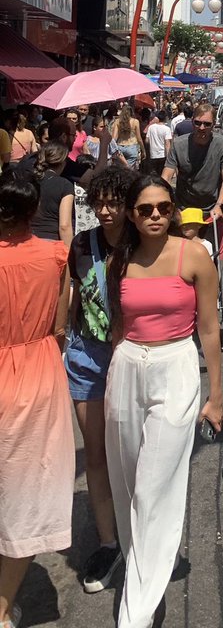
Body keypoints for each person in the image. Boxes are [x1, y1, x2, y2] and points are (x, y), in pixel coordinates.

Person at [105, 177, 222, 628]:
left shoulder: (192, 254)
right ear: (132, 214)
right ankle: (152, 557)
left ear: (172, 210)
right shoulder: (122, 258)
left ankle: (135, 612)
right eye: (144, 208)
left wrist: (216, 394)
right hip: (129, 365)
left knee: (155, 486)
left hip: (176, 366)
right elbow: (119, 323)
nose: (154, 214)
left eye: (162, 207)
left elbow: (209, 328)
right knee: (131, 481)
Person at [0, 170, 74, 628]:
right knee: (28, 493)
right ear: (34, 212)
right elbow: (61, 326)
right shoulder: (55, 255)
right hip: (39, 370)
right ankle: (2, 605)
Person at [64, 167, 136, 594]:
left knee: (132, 451)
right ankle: (109, 543)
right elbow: (71, 291)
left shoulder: (144, 244)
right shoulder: (82, 244)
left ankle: (139, 533)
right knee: (95, 455)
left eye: (114, 202)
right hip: (87, 358)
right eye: (99, 203)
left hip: (131, 360)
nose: (106, 211)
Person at [162, 101, 223, 220]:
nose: (201, 128)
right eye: (197, 123)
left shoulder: (222, 144)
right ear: (192, 122)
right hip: (184, 208)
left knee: (211, 239)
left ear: (213, 125)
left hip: (212, 209)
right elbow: (167, 175)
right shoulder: (179, 144)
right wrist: (165, 201)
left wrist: (219, 205)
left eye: (207, 124)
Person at [31, 143, 75, 249]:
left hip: (27, 241)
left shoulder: (29, 181)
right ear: (63, 161)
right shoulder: (65, 185)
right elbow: (64, 226)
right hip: (51, 243)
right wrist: (69, 257)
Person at [111, 104, 145, 170]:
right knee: (130, 171)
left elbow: (114, 138)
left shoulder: (117, 121)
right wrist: (143, 150)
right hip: (132, 147)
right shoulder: (135, 121)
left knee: (120, 170)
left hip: (120, 147)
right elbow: (139, 138)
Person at [145, 108, 172, 175]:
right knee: (161, 173)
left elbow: (147, 140)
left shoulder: (151, 127)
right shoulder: (167, 129)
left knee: (153, 173)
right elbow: (167, 143)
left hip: (152, 154)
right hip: (162, 155)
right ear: (165, 118)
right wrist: (168, 156)